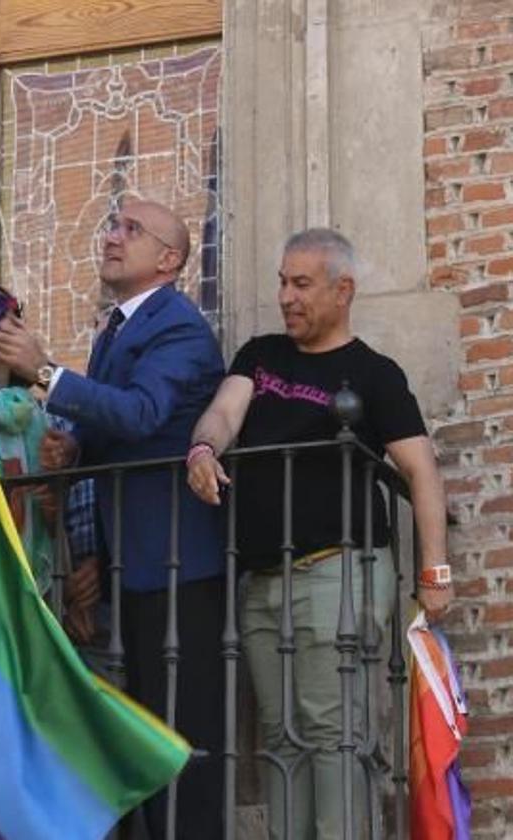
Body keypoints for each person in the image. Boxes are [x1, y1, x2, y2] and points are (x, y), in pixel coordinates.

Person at [185, 228, 454, 840]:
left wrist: (435, 570)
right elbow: (226, 411)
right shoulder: (260, 355)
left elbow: (420, 471)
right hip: (263, 580)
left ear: (343, 291)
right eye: (282, 281)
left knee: (335, 737)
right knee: (281, 737)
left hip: (340, 572)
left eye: (301, 284)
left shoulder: (373, 374)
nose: (286, 296)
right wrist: (203, 447)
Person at [0, 198, 227, 839]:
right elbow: (119, 428)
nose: (113, 237)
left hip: (177, 558)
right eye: (112, 225)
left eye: (131, 230)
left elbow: (146, 413)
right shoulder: (117, 329)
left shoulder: (176, 326)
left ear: (169, 259)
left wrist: (42, 371)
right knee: (139, 734)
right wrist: (75, 450)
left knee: (182, 736)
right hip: (132, 564)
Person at [0, 295, 56, 594]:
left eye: (8, 318)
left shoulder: (38, 418)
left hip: (28, 565)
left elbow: (55, 516)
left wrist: (54, 504)